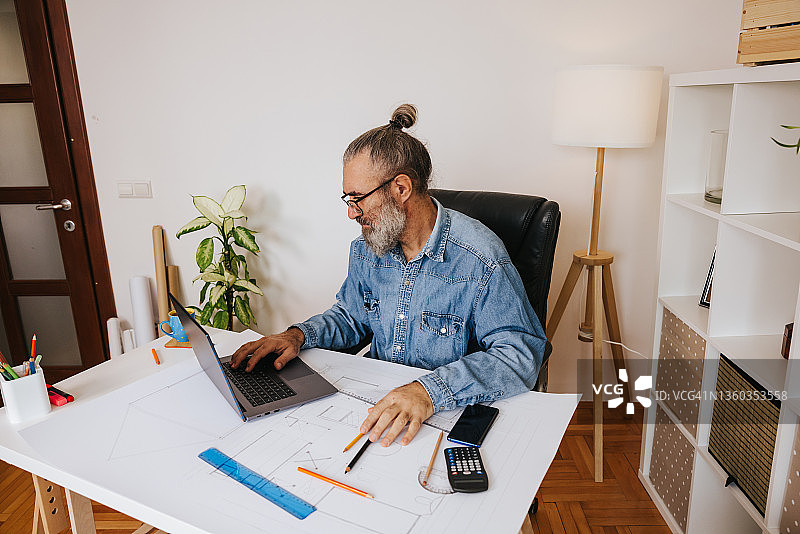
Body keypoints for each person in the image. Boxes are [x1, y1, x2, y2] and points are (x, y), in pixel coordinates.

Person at [231, 104, 546, 447]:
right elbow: (352, 317)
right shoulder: (367, 248)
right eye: (347, 199)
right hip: (376, 405)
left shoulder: (480, 259)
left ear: (401, 188)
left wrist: (428, 391)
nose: (352, 213)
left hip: (444, 416)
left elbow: (519, 356)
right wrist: (297, 336)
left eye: (358, 198)